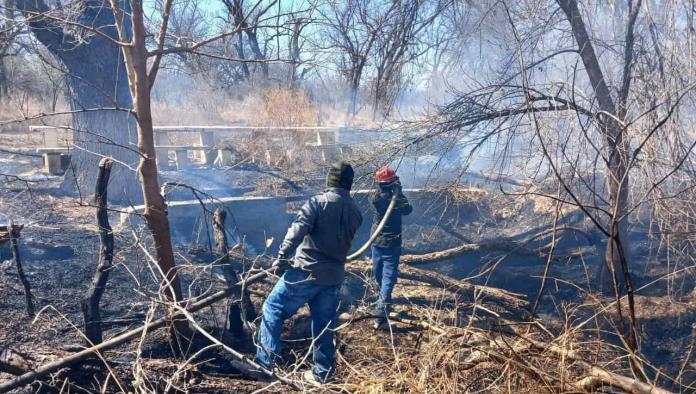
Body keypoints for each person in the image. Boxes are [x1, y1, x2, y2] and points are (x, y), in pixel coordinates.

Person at [254, 161, 363, 385]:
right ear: (349, 184)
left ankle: (266, 363)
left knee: (273, 307)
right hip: (333, 277)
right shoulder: (355, 211)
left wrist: (282, 256)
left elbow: (297, 231)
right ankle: (322, 374)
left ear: (330, 180)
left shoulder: (317, 203)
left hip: (306, 272)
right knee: (324, 324)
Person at [371, 166, 412, 329]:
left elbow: (408, 210)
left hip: (379, 242)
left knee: (382, 275)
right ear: (392, 182)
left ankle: (380, 311)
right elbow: (408, 209)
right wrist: (398, 192)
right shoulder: (388, 198)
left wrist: (396, 191)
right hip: (386, 243)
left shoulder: (377, 195)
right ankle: (384, 305)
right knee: (384, 277)